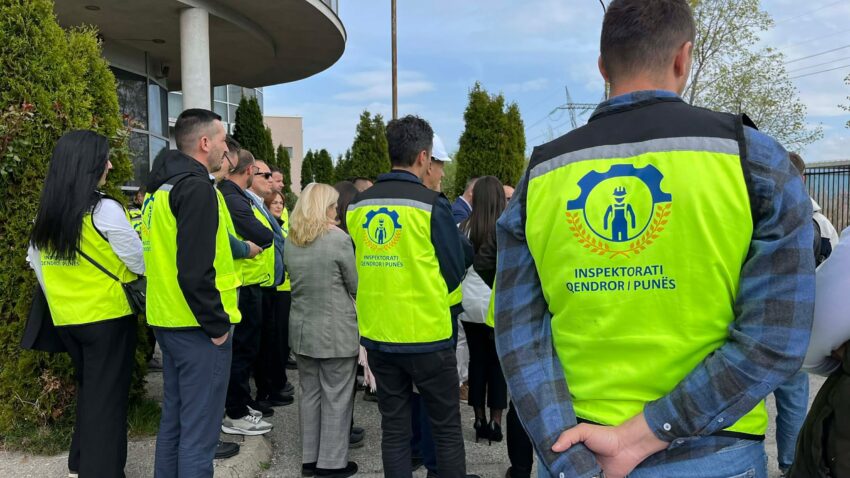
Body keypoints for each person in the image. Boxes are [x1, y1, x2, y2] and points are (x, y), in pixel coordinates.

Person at [494, 2, 816, 477]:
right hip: (713, 455)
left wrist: (568, 460)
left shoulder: (542, 175)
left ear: (602, 67)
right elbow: (777, 338)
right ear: (683, 58)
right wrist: (648, 430)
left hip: (580, 447)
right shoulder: (752, 159)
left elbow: (518, 336)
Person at [347, 116, 472, 478]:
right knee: (446, 429)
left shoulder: (358, 205)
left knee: (395, 429)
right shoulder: (430, 204)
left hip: (379, 335)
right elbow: (453, 267)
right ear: (423, 156)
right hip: (428, 335)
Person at [28, 130, 144, 478]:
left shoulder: (47, 214)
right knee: (107, 400)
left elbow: (36, 264)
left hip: (66, 319)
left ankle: (79, 462)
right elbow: (138, 262)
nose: (110, 165)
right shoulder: (104, 210)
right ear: (87, 164)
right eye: (104, 159)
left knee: (91, 392)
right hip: (108, 317)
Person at [142, 109, 242, 476]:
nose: (225, 148)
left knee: (175, 422)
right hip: (198, 328)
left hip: (167, 320)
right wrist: (217, 327)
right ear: (204, 143)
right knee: (200, 435)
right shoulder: (197, 189)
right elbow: (195, 271)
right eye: (222, 140)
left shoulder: (160, 190)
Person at [285, 183, 360, 478]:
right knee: (337, 396)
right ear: (325, 207)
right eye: (333, 205)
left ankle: (309, 459)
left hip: (302, 329)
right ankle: (331, 463)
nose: (336, 209)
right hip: (336, 329)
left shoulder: (292, 239)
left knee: (310, 393)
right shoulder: (338, 239)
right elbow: (355, 284)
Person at [218, 147, 277, 433]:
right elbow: (262, 234)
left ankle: (240, 403)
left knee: (246, 349)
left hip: (249, 281)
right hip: (242, 282)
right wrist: (253, 243)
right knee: (241, 351)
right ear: (250, 171)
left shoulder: (235, 196)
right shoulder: (231, 197)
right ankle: (236, 411)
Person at [459, 176, 508, 445]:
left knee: (476, 361)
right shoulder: (504, 229)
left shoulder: (463, 227)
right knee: (497, 364)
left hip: (469, 302)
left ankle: (478, 418)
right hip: (495, 302)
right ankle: (496, 421)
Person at [248, 159, 292, 410]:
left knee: (273, 341)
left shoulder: (266, 209)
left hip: (272, 284)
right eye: (265, 176)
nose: (274, 183)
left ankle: (272, 387)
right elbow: (266, 238)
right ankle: (261, 394)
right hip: (256, 283)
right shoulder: (249, 205)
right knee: (259, 345)